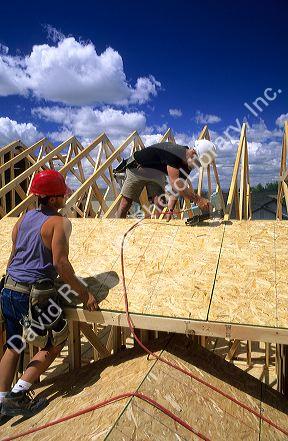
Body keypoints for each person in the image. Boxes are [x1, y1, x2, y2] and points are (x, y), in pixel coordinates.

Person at [0, 170, 98, 418]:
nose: (64, 197)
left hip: (9, 288)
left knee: (13, 344)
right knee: (54, 342)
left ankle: (1, 404)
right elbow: (60, 264)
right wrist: (85, 294)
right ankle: (18, 394)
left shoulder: (22, 219)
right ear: (53, 199)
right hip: (32, 294)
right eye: (62, 194)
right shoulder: (59, 223)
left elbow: (14, 256)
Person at [116, 139, 217, 220]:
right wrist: (198, 199)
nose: (197, 166)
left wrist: (170, 209)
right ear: (194, 154)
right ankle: (118, 228)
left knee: (160, 205)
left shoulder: (187, 165)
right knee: (125, 204)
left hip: (156, 175)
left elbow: (177, 188)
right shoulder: (174, 152)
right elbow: (174, 183)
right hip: (137, 170)